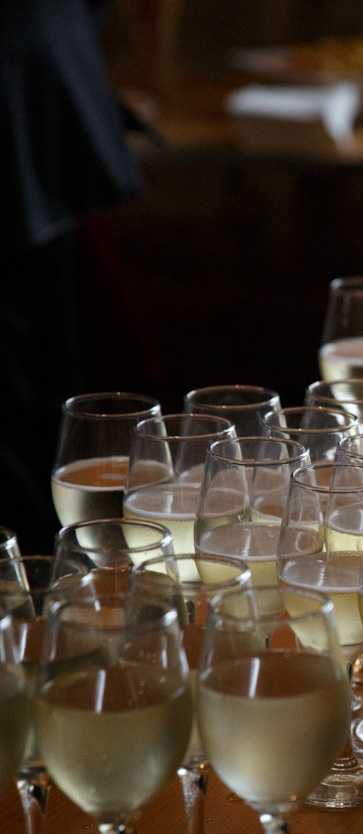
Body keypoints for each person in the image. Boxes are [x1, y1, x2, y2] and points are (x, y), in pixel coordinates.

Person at [0, 0, 144, 551]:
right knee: (45, 386)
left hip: (31, 81)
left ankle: (41, 605)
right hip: (43, 71)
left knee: (31, 399)